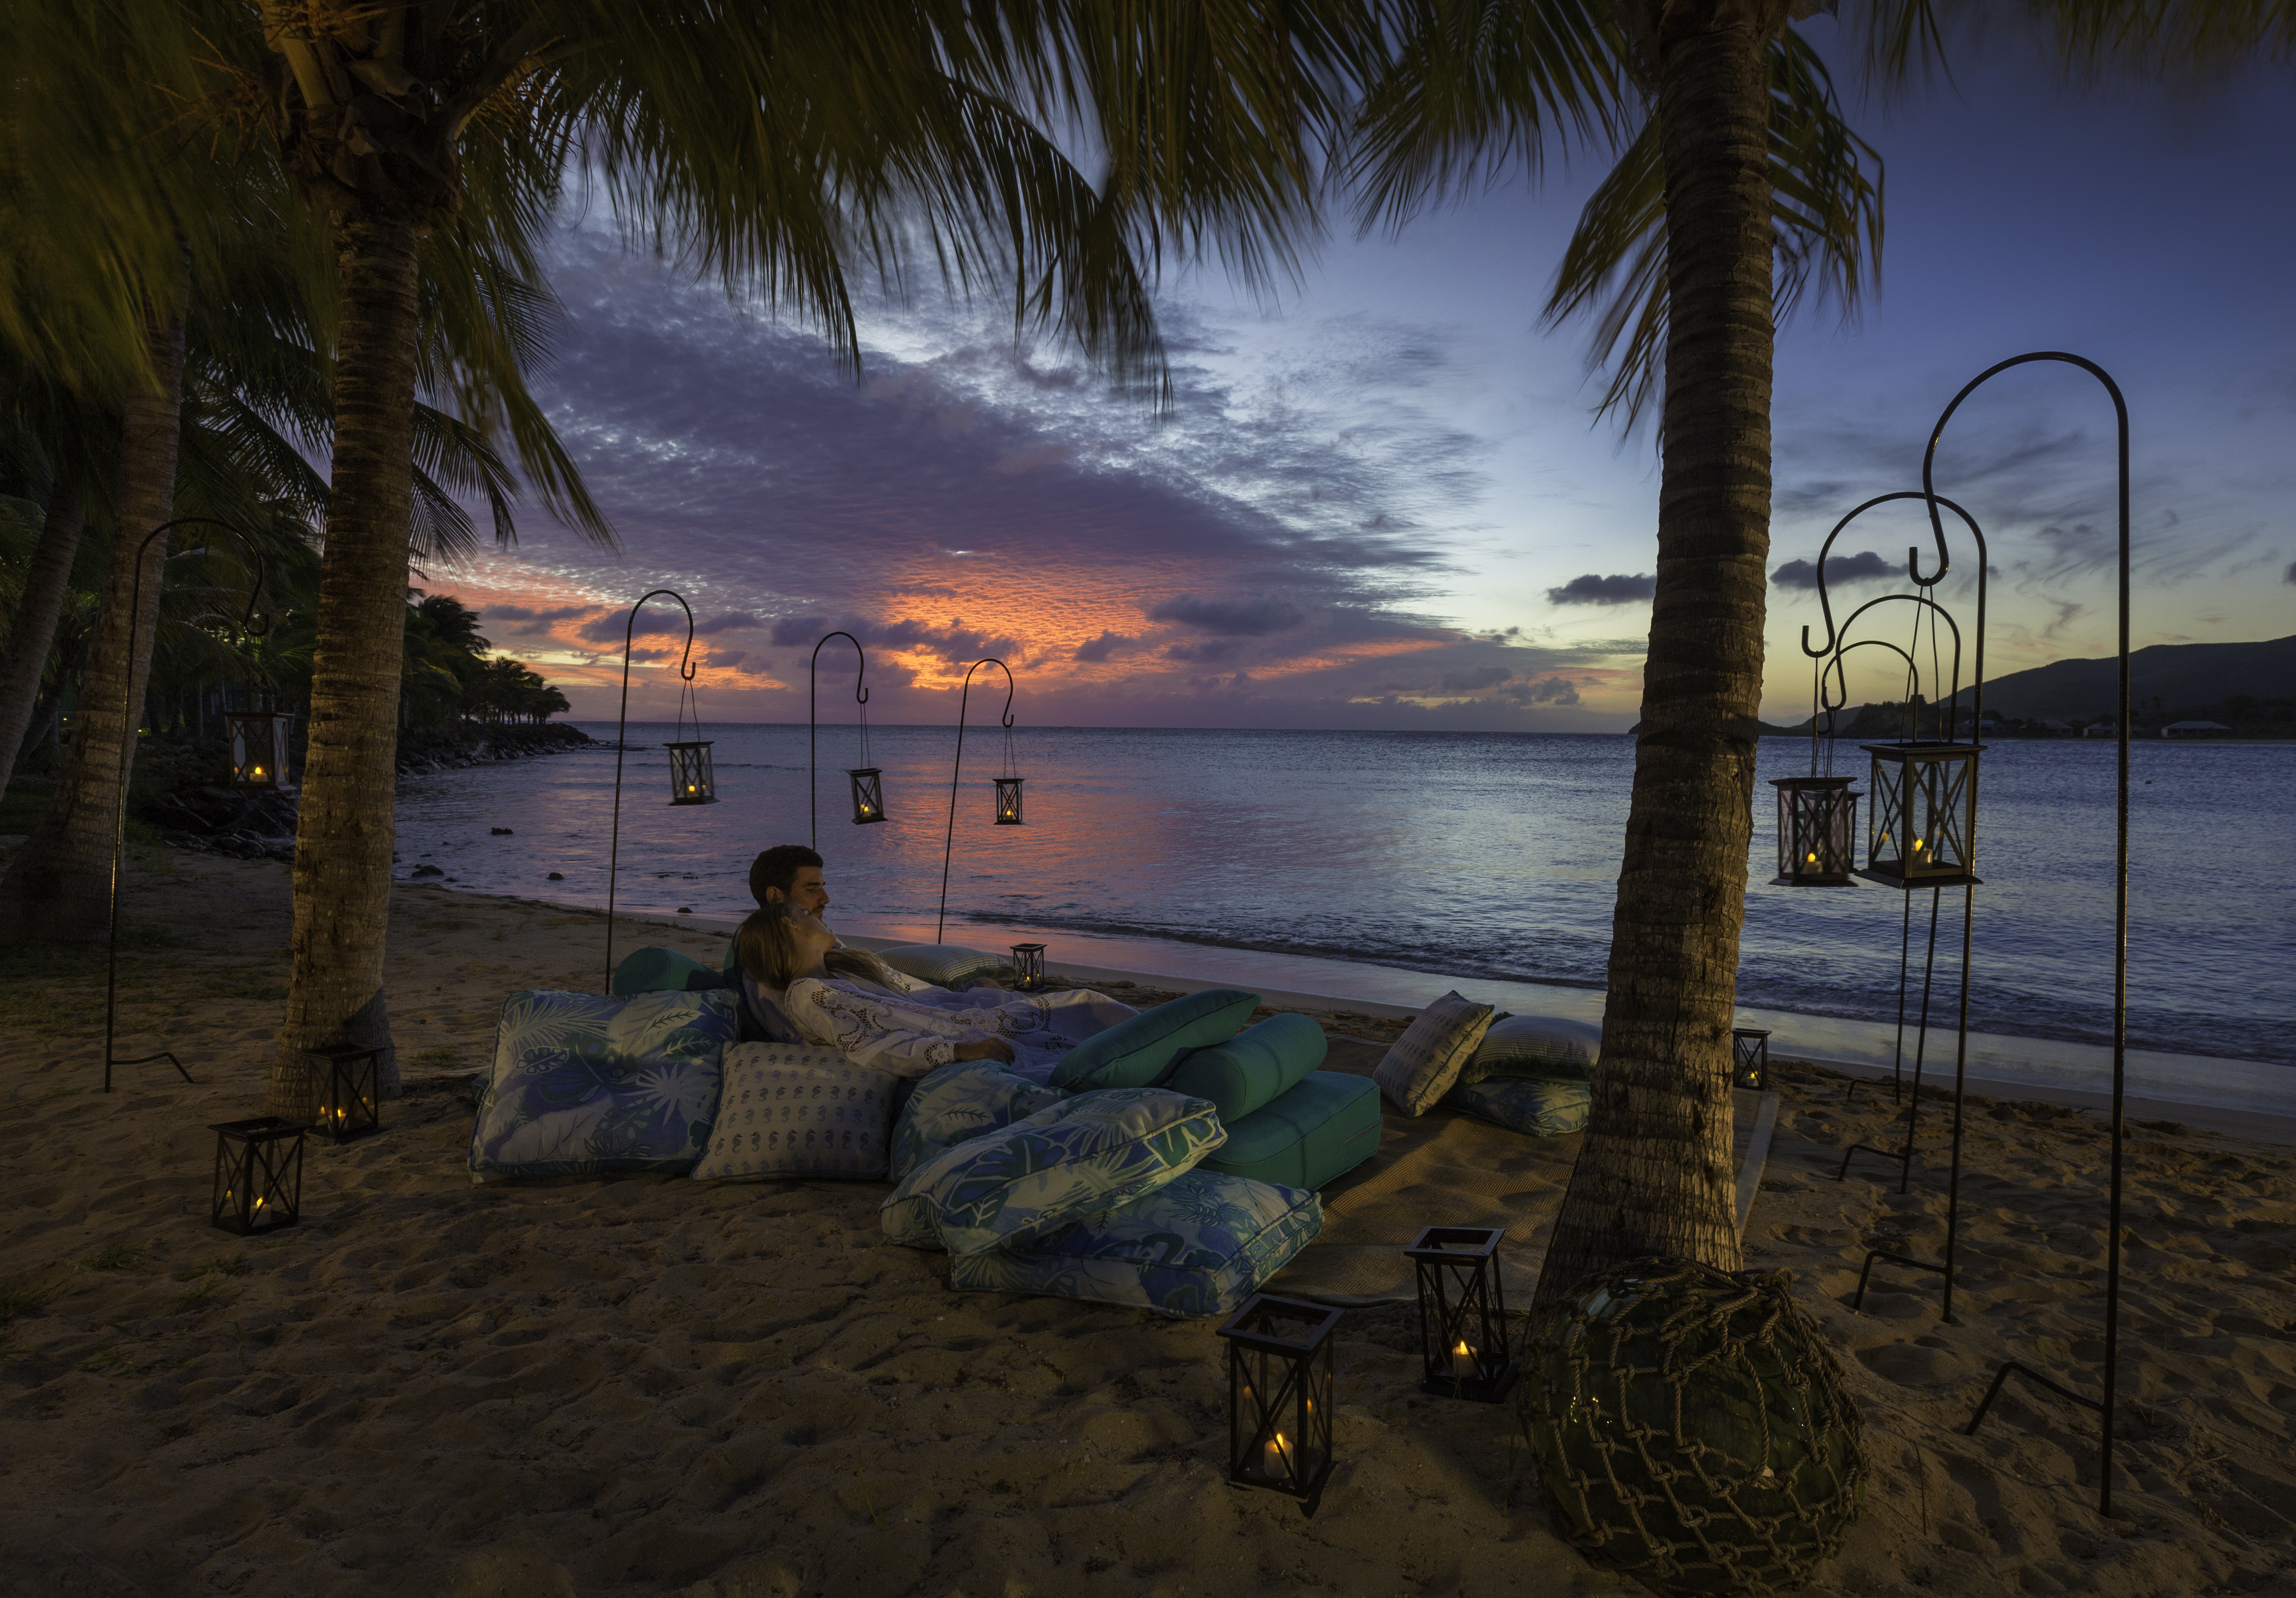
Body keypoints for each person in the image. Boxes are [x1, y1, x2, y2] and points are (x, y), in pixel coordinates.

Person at [735, 900, 1134, 1082]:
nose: (821, 914)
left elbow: (859, 964)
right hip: (958, 1035)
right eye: (807, 913)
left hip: (961, 1021)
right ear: (789, 925)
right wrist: (957, 1052)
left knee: (1085, 1006)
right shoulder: (807, 995)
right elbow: (872, 1046)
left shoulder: (835, 976)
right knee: (1086, 1006)